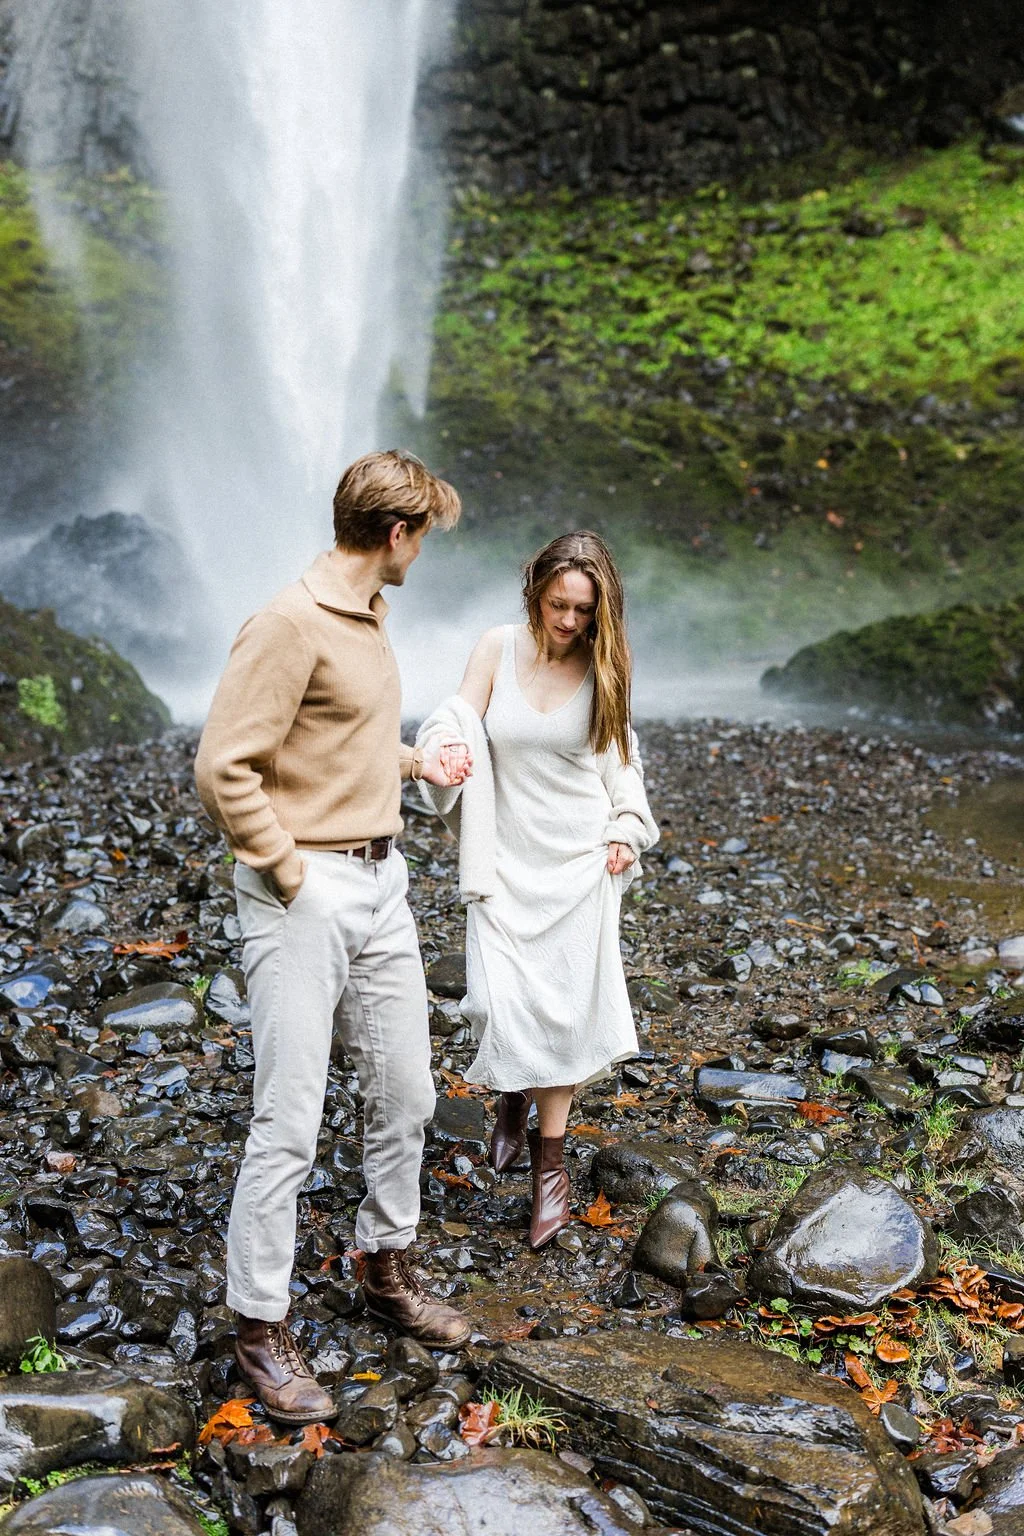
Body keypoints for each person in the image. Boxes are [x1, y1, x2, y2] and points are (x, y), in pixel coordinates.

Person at [194, 450, 473, 1426]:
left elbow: (335, 739)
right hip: (303, 891)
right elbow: (223, 764)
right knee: (290, 1117)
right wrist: (288, 867)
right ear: (396, 536)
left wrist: (413, 762)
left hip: (382, 877)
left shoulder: (368, 615)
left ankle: (384, 1269)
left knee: (406, 1089)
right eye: (422, 538)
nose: (420, 555)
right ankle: (258, 1329)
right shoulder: (287, 621)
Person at [417, 531, 658, 1250]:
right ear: (536, 592)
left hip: (579, 861)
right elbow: (460, 710)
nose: (571, 622)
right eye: (560, 605)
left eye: (586, 610)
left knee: (561, 1015)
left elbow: (623, 760)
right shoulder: (496, 646)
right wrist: (445, 744)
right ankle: (512, 1097)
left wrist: (625, 826)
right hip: (507, 857)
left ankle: (549, 1172)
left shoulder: (604, 665)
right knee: (497, 1000)